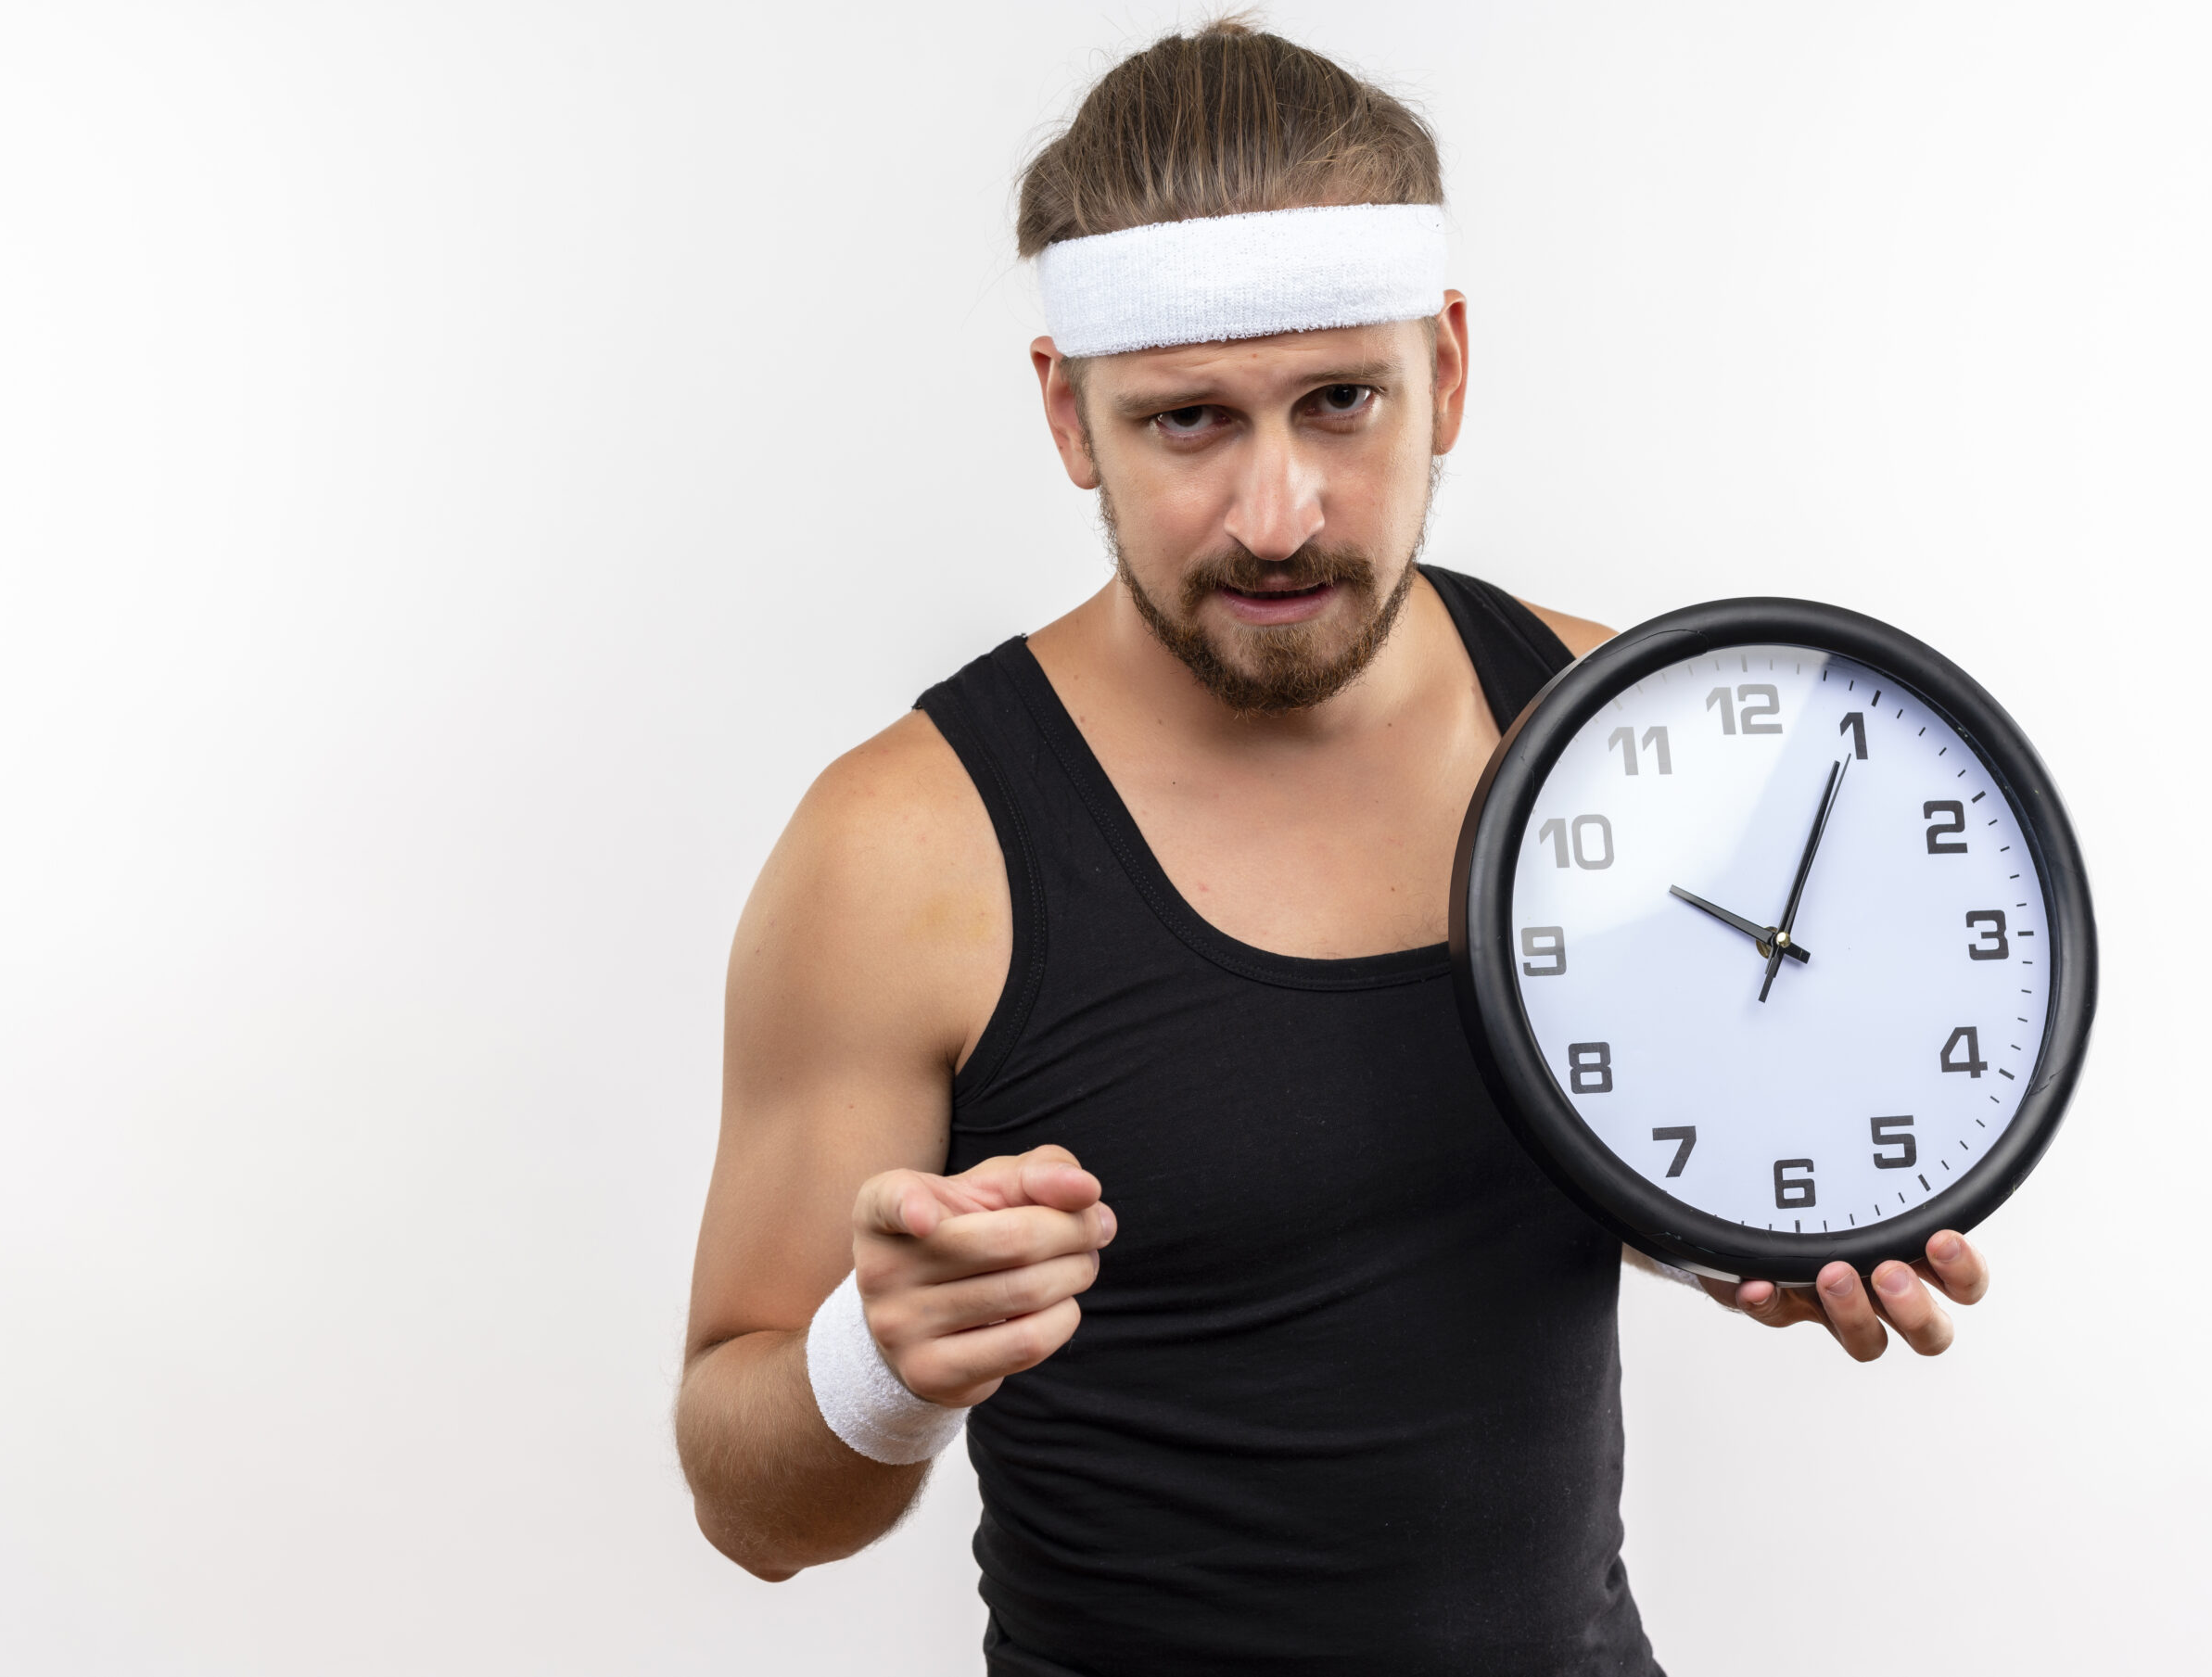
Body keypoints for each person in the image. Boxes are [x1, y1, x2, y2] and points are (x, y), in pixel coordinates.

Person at [676, 19, 1989, 1674]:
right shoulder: (906, 852)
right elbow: (748, 1503)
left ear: (1447, 366)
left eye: (1341, 400)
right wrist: (875, 1362)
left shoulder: (1616, 732)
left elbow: (1635, 1136)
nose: (1280, 510)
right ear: (1071, 417)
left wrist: (1747, 1234)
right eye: (1188, 424)